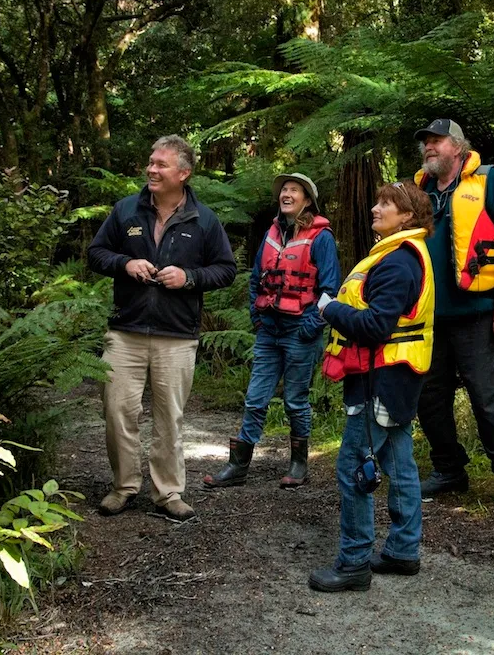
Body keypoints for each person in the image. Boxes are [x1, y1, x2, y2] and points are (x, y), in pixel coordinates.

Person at [87, 135, 237, 521]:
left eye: (161, 165)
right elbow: (96, 253)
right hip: (126, 331)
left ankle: (168, 493)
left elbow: (226, 269)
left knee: (169, 417)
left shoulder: (204, 220)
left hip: (176, 336)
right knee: (118, 410)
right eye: (151, 162)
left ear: (183, 174)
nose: (152, 170)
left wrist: (188, 276)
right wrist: (125, 264)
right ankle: (123, 487)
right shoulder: (125, 211)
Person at [308, 180, 435, 592]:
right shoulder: (397, 256)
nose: (375, 209)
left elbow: (377, 326)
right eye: (377, 201)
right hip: (394, 378)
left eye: (387, 204)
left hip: (380, 380)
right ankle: (402, 550)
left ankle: (355, 562)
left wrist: (330, 308)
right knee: (399, 463)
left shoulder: (398, 263)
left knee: (353, 467)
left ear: (409, 217)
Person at [413, 118, 494, 519]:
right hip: (430, 316)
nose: (430, 147)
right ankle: (449, 469)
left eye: (437, 141)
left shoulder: (489, 182)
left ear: (459, 147)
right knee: (429, 399)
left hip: (480, 314)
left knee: (490, 401)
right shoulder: (420, 193)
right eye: (426, 142)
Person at [204, 173, 341, 489]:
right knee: (255, 398)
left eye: (294, 190)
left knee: (295, 400)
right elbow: (255, 279)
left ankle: (298, 465)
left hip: (300, 330)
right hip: (269, 330)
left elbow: (330, 289)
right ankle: (238, 467)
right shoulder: (271, 234)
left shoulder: (321, 238)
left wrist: (310, 326)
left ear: (307, 199)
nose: (286, 194)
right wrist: (256, 317)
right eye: (283, 190)